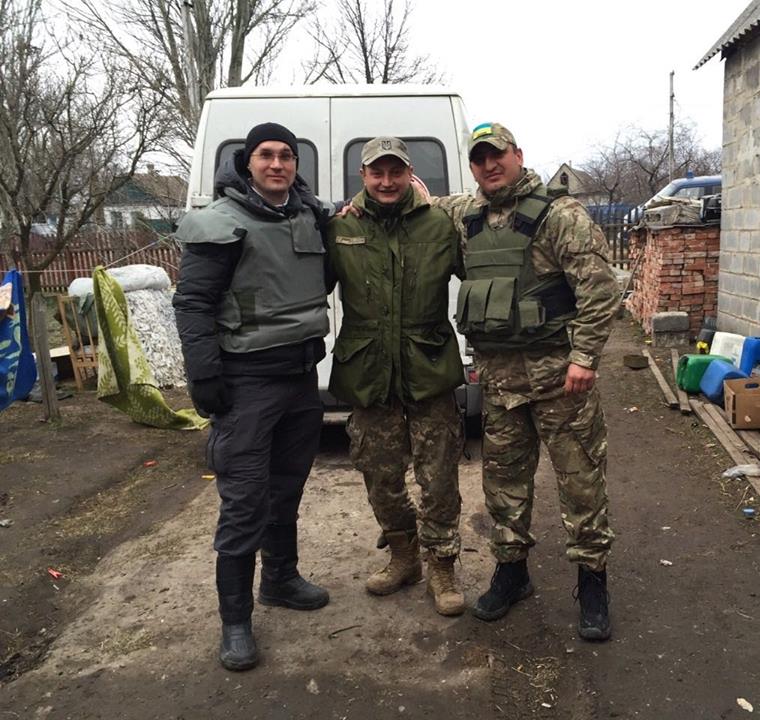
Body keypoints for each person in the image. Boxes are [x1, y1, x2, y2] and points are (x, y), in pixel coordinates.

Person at [435, 122, 620, 641]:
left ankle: (593, 583)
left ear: (517, 154)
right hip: (500, 383)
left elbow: (600, 290)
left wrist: (585, 357)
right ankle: (511, 573)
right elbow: (413, 203)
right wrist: (356, 206)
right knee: (503, 485)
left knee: (581, 483)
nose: (489, 165)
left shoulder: (562, 215)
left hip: (562, 381)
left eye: (497, 155)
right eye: (479, 159)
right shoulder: (464, 215)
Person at [173, 122, 333, 671]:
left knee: (286, 488)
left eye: (287, 155)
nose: (277, 164)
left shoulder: (310, 216)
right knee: (245, 502)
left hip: (300, 377)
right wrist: (203, 375)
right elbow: (193, 303)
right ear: (248, 164)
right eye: (266, 155)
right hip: (246, 384)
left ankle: (280, 580)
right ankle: (236, 622)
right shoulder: (219, 222)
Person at [325, 137, 466, 616]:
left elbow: (481, 271)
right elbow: (307, 280)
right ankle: (405, 555)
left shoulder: (440, 224)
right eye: (377, 172)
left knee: (439, 476)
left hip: (429, 367)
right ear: (363, 176)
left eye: (396, 171)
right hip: (369, 371)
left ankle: (441, 565)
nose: (386, 182)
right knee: (378, 473)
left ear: (410, 174)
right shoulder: (340, 227)